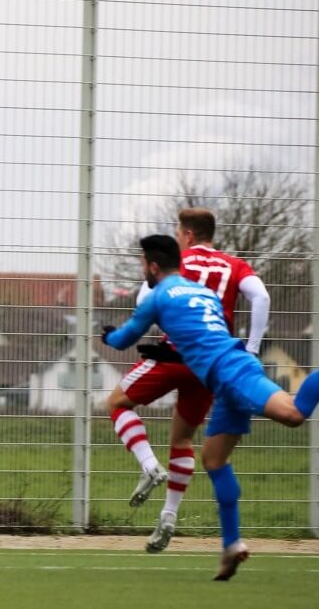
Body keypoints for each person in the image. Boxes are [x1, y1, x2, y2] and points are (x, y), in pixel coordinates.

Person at [101, 235, 319, 580]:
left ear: (153, 266)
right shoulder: (204, 293)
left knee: (294, 413)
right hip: (221, 378)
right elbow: (205, 335)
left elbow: (124, 339)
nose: (142, 269)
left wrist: (107, 335)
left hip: (231, 373)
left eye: (143, 264)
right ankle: (232, 545)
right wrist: (173, 353)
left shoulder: (158, 296)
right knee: (214, 460)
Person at [104, 208, 270, 553]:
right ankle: (169, 514)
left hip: (176, 354)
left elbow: (145, 299)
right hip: (211, 366)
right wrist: (252, 349)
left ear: (188, 236)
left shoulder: (177, 265)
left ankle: (148, 466)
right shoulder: (234, 265)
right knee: (183, 439)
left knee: (118, 403)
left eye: (178, 233)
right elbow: (261, 297)